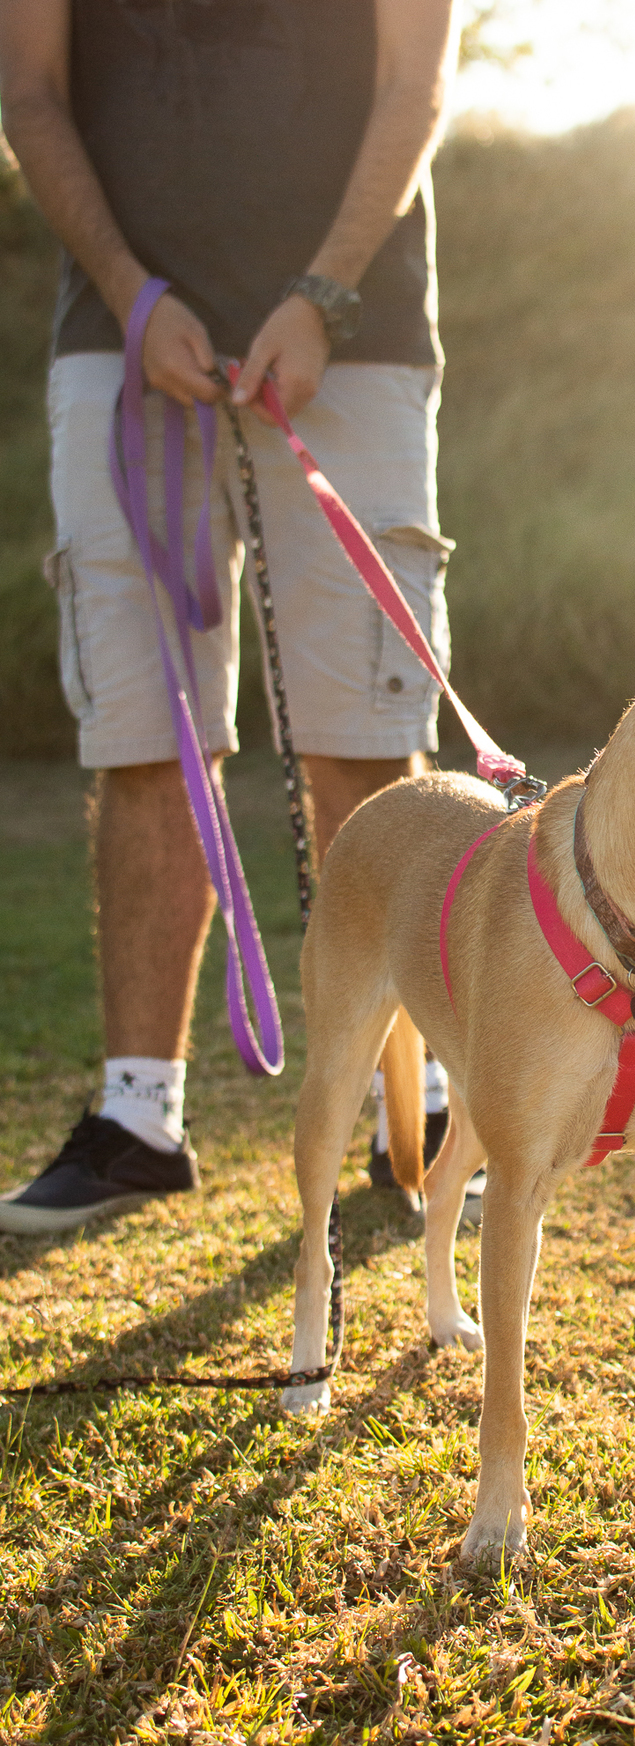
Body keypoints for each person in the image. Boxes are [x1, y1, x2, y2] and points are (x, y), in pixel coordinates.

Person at [0, 0, 463, 1233]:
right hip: (121, 345)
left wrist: (322, 295)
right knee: (142, 734)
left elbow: (416, 78)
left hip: (354, 339)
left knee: (365, 738)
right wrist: (129, 295)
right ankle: (137, 1119)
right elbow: (30, 90)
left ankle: (413, 1109)